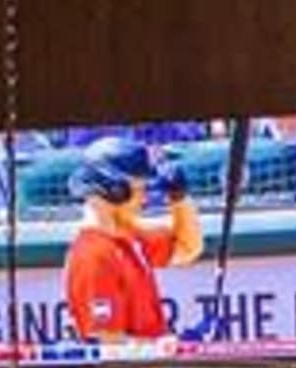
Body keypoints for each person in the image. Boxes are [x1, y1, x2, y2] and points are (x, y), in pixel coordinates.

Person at [60, 135, 201, 345]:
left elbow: (187, 248)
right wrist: (164, 347)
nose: (144, 198)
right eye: (138, 189)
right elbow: (107, 344)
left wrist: (179, 199)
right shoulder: (93, 255)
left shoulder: (128, 235)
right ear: (113, 190)